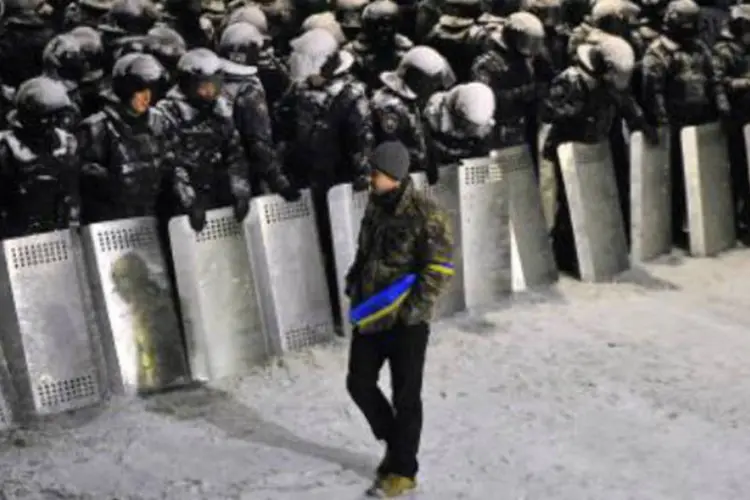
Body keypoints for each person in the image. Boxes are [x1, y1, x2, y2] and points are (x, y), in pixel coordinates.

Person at [345, 140, 454, 498]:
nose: (370, 178)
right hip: (372, 314)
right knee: (358, 382)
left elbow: (438, 268)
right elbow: (365, 251)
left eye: (375, 173)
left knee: (406, 396)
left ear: (393, 175)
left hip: (407, 323)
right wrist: (354, 282)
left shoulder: (425, 212)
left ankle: (404, 470)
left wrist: (411, 311)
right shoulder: (375, 206)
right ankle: (396, 443)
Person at [156, 48, 250, 233]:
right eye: (203, 86)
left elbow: (234, 152)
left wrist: (240, 190)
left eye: (213, 85)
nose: (209, 92)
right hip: (181, 203)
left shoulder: (221, 109)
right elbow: (170, 162)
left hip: (216, 194)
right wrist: (189, 200)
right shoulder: (168, 112)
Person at [77, 53, 173, 223]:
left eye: (151, 90)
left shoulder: (160, 121)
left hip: (153, 216)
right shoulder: (97, 128)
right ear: (126, 89)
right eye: (140, 91)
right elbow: (88, 185)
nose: (147, 98)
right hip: (113, 221)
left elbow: (170, 163)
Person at [0, 76, 80, 239]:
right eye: (46, 117)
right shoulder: (6, 148)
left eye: (56, 117)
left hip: (59, 231)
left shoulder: (66, 142)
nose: (52, 124)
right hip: (16, 236)